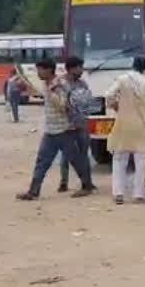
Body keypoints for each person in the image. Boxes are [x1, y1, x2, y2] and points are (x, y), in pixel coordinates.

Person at [16, 59, 96, 200]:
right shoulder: (47, 84)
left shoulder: (59, 85)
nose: (38, 73)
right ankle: (33, 191)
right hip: (52, 130)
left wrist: (51, 93)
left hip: (65, 130)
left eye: (40, 70)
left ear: (48, 70)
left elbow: (63, 105)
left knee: (76, 160)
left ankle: (87, 186)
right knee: (42, 161)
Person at [105, 56, 145, 204]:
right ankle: (138, 195)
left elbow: (109, 94)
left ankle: (118, 194)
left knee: (119, 160)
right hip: (142, 126)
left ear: (133, 65)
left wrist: (116, 107)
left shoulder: (122, 79)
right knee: (140, 162)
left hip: (123, 125)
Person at [57, 57, 93, 193]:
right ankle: (64, 182)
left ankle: (88, 182)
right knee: (67, 155)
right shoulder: (61, 84)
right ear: (71, 68)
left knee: (84, 154)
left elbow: (87, 102)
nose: (82, 70)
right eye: (79, 67)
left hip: (81, 123)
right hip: (66, 125)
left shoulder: (82, 84)